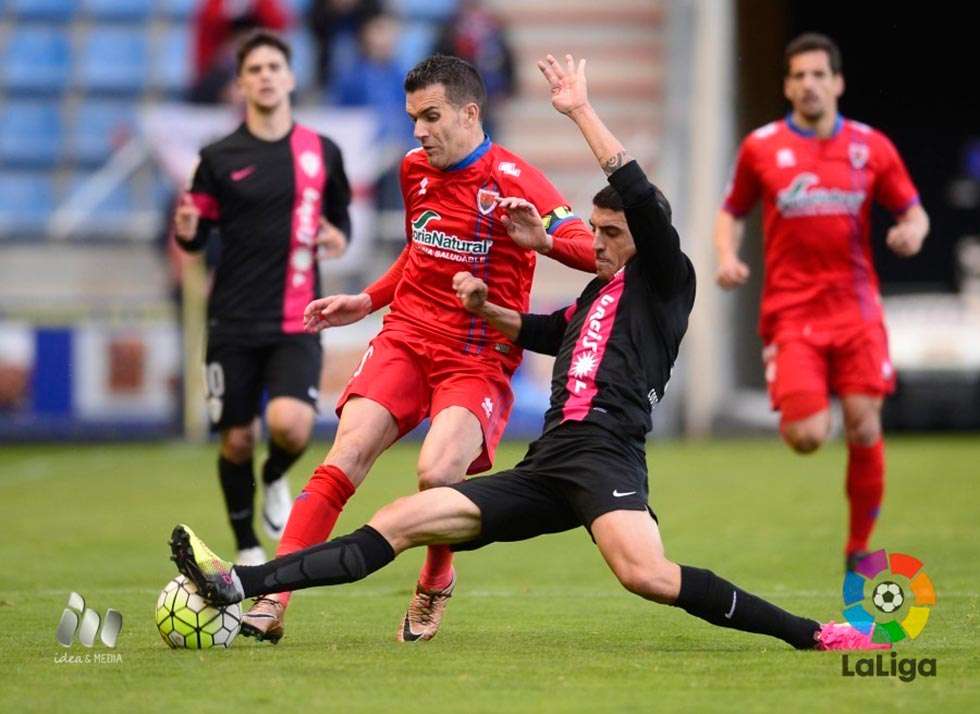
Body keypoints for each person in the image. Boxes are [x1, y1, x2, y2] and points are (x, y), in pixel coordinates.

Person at [169, 53, 888, 654]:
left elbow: (631, 191)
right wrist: (489, 304)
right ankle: (243, 584)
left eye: (610, 234)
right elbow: (546, 331)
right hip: (548, 463)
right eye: (595, 234)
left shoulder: (665, 280)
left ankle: (815, 635)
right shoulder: (592, 296)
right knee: (397, 519)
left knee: (646, 575)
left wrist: (577, 113)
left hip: (606, 459)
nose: (597, 246)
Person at [238, 54, 597, 644]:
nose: (419, 132)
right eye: (413, 119)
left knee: (437, 475)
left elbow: (591, 250)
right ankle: (271, 598)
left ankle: (436, 579)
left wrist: (543, 240)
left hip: (477, 356)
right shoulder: (413, 169)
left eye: (431, 117)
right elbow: (419, 249)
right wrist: (368, 299)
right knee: (344, 458)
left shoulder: (515, 179)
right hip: (406, 336)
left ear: (470, 113)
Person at [712, 33, 929, 571]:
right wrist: (726, 256)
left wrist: (913, 233)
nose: (809, 84)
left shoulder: (869, 146)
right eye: (799, 76)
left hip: (856, 310)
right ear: (787, 86)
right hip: (793, 312)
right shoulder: (762, 146)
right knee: (807, 437)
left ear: (837, 83)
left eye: (818, 75)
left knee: (864, 424)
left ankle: (859, 547)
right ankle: (802, 392)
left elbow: (914, 210)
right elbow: (731, 210)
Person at [173, 32, 352, 568]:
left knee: (290, 425)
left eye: (275, 66)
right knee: (235, 440)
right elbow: (196, 235)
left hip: (299, 313)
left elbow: (340, 219)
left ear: (291, 78)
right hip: (232, 318)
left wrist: (338, 236)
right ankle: (247, 545)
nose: (267, 76)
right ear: (242, 82)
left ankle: (276, 475)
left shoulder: (322, 152)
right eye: (255, 69)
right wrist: (186, 232)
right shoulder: (217, 158)